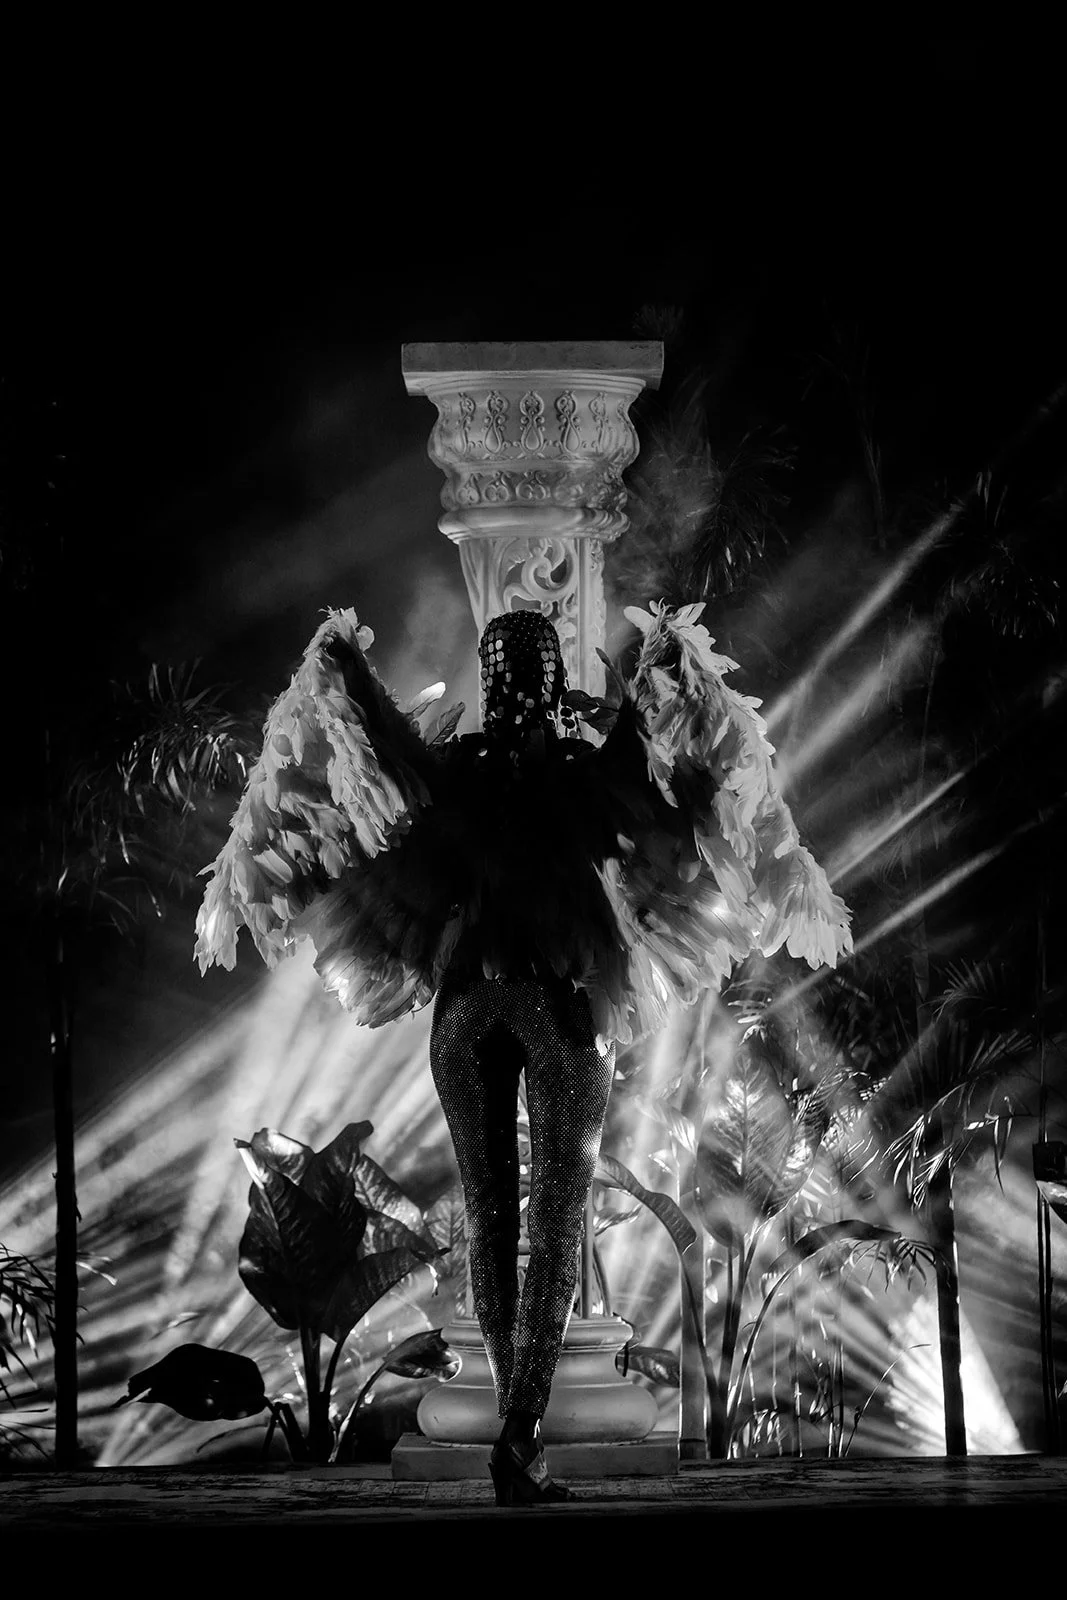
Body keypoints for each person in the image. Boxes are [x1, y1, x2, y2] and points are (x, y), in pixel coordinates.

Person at [195, 600, 851, 1504]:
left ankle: (516, 1429)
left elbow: (375, 768)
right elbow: (671, 775)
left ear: (488, 678)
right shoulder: (587, 771)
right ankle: (521, 1435)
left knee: (492, 1223)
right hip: (554, 1003)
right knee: (553, 1231)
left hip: (463, 1011)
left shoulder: (445, 773)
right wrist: (666, 657)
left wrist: (341, 668)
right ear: (549, 679)